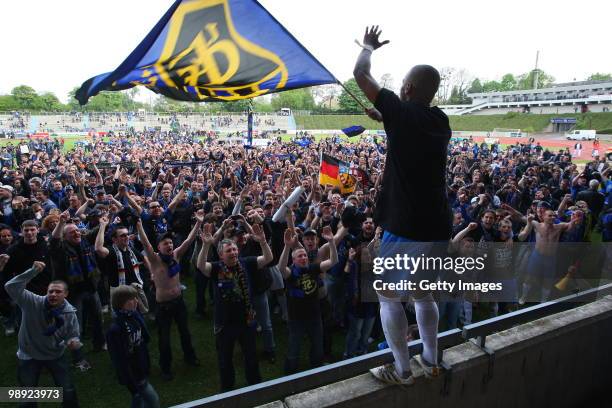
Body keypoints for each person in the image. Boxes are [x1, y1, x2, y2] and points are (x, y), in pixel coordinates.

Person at [353, 26, 452, 385]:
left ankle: (402, 369)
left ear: (406, 89)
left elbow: (360, 74)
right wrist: (385, 119)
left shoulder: (400, 110)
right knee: (424, 294)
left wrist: (367, 47)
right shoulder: (441, 122)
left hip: (406, 225)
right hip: (438, 224)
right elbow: (411, 128)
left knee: (387, 294)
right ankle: (430, 357)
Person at [197, 221, 273, 391]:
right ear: (221, 255)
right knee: (225, 359)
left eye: (234, 249)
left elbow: (268, 258)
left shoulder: (246, 263)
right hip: (225, 323)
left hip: (246, 320)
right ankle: (228, 389)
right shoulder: (217, 268)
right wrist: (205, 246)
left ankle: (254, 385)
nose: (233, 252)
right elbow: (201, 266)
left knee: (251, 356)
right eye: (228, 251)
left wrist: (262, 241)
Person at [135, 211, 203, 381]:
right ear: (159, 247)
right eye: (165, 243)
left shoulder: (176, 255)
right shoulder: (155, 259)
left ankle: (190, 357)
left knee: (185, 333)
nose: (169, 245)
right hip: (163, 306)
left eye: (171, 243)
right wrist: (139, 226)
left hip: (179, 302)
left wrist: (198, 223)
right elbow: (145, 243)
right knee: (164, 339)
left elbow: (188, 240)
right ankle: (166, 368)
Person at [4, 261, 81, 408]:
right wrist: (32, 272)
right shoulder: (32, 302)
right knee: (27, 397)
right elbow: (10, 286)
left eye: (58, 292)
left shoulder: (69, 313)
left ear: (66, 294)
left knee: (67, 392)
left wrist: (72, 341)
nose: (53, 294)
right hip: (29, 355)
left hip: (55, 355)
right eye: (50, 291)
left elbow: (73, 334)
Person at [106, 285, 159, 408]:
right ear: (121, 303)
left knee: (139, 400)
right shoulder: (116, 329)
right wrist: (130, 383)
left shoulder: (134, 315)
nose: (136, 301)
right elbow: (119, 359)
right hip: (133, 374)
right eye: (131, 299)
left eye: (136, 298)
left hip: (140, 366)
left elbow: (143, 339)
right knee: (153, 400)